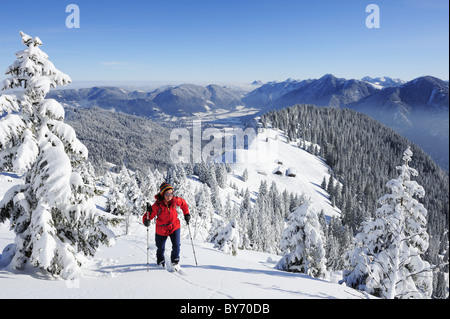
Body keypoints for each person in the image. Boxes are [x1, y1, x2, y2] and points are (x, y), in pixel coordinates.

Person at [143, 182, 191, 268]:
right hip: (161, 229)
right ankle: (160, 260)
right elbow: (148, 215)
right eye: (167, 194)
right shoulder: (157, 205)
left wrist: (186, 214)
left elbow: (183, 203)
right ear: (162, 194)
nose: (169, 196)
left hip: (174, 226)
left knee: (176, 245)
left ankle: (175, 261)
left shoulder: (175, 201)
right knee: (160, 247)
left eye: (171, 193)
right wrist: (146, 220)